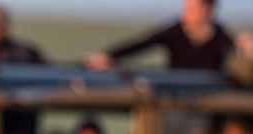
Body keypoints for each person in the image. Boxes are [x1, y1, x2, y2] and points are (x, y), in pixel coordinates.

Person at [85, 0, 251, 71]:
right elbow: (142, 43)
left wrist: (245, 48)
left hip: (205, 107)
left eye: (192, 9)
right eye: (186, 7)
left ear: (208, 11)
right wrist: (109, 56)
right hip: (174, 100)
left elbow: (237, 55)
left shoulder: (221, 36)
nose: (186, 14)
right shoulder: (175, 31)